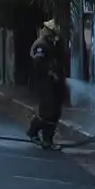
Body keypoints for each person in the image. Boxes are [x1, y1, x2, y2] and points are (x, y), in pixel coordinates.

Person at [27, 19, 66, 150]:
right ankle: (42, 136)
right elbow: (39, 65)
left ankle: (44, 137)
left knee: (55, 112)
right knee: (48, 112)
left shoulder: (51, 44)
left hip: (53, 83)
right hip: (44, 83)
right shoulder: (41, 45)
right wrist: (50, 73)